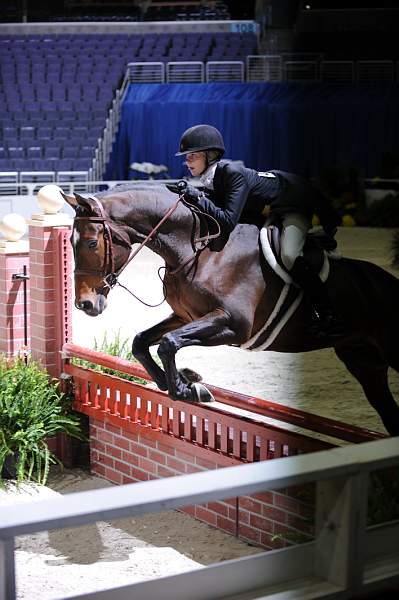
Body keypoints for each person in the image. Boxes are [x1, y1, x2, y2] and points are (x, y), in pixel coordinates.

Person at [166, 124, 343, 338]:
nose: (187, 162)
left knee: (289, 255)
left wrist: (198, 196)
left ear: (209, 155)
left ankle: (328, 314)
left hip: (293, 204)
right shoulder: (213, 179)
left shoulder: (232, 173)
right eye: (187, 157)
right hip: (268, 211)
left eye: (192, 156)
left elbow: (227, 220)